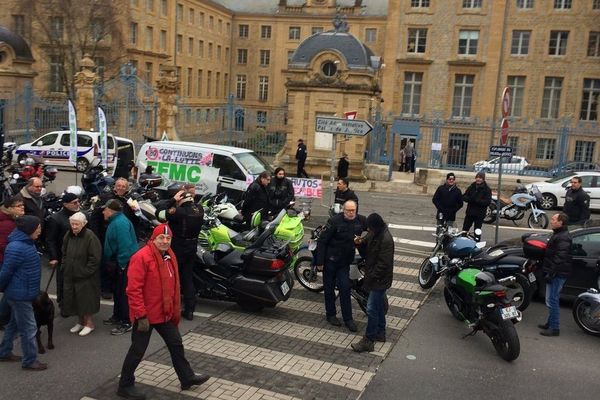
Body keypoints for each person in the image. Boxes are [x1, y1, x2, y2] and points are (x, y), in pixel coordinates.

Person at [117, 224, 210, 399]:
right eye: (161, 238)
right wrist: (140, 315)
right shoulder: (141, 257)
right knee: (137, 351)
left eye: (168, 239)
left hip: (164, 313)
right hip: (145, 315)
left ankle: (187, 378)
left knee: (176, 344)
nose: (165, 241)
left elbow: (174, 285)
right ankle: (125, 385)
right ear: (153, 238)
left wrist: (174, 309)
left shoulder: (169, 255)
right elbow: (133, 290)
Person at [0, 215, 47, 370]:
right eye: (38, 228)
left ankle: (4, 352)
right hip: (19, 295)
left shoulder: (26, 243)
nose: (40, 231)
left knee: (13, 325)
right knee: (29, 328)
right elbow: (6, 272)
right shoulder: (17, 247)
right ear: (29, 229)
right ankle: (29, 361)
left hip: (22, 292)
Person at [316, 200, 366, 333]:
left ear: (356, 210)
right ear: (343, 210)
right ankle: (331, 315)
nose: (350, 213)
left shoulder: (360, 221)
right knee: (329, 289)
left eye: (353, 210)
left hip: (344, 262)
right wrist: (320, 262)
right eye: (348, 210)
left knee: (345, 288)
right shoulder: (334, 221)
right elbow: (322, 241)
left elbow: (372, 229)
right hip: (330, 261)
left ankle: (348, 319)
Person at [155, 189, 204, 321]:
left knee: (172, 276)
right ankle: (189, 310)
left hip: (178, 246)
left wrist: (172, 201)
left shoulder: (179, 211)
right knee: (187, 278)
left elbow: (159, 214)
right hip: (192, 246)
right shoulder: (199, 209)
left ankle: (170, 308)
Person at [351, 213, 394, 353]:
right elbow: (366, 240)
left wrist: (371, 277)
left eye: (370, 228)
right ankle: (380, 332)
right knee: (378, 306)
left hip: (379, 279)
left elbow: (384, 264)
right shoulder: (375, 232)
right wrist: (360, 241)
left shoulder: (386, 239)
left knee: (371, 308)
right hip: (375, 277)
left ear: (376, 226)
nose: (368, 230)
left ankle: (368, 340)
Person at [89, 178, 138, 299]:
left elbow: (136, 219)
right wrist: (95, 235)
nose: (121, 188)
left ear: (127, 188)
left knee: (118, 263)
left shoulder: (131, 200)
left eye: (123, 186)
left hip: (122, 235)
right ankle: (105, 288)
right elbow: (95, 217)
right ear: (114, 186)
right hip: (105, 235)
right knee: (106, 261)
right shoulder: (105, 198)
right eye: (119, 185)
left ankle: (116, 287)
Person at [61, 212, 102, 337]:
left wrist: (85, 272)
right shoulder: (69, 234)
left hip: (85, 276)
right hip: (70, 274)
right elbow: (64, 251)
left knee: (86, 300)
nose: (74, 226)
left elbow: (95, 258)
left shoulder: (90, 237)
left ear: (84, 224)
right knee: (74, 299)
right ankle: (80, 322)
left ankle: (89, 323)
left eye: (77, 224)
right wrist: (64, 265)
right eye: (72, 224)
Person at [102, 199, 139, 336]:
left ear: (111, 211)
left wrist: (122, 265)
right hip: (119, 261)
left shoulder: (120, 223)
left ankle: (126, 321)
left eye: (105, 209)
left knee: (123, 293)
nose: (103, 212)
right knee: (118, 291)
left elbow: (125, 246)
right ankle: (117, 316)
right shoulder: (116, 221)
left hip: (124, 262)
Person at [45, 192, 81, 312]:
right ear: (66, 204)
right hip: (62, 256)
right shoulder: (56, 219)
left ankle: (75, 303)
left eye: (78, 201)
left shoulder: (80, 215)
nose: (78, 204)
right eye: (74, 202)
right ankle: (63, 304)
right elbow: (50, 239)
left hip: (78, 255)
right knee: (63, 282)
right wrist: (53, 257)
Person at [538, 212, 572, 337]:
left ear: (560, 222)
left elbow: (560, 258)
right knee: (550, 299)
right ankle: (550, 323)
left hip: (557, 273)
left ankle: (555, 328)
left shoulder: (563, 237)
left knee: (552, 300)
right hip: (555, 272)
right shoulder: (558, 234)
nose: (551, 221)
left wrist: (551, 273)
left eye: (553, 219)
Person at [0, 197, 25, 328]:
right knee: (10, 290)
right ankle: (3, 317)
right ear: (9, 208)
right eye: (18, 206)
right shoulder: (7, 224)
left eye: (22, 205)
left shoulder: (11, 220)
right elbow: (4, 245)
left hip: (6, 260)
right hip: (5, 261)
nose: (22, 208)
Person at [462, 171, 492, 241]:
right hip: (470, 212)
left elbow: (487, 202)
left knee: (477, 230)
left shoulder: (487, 189)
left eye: (480, 178)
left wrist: (478, 201)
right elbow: (464, 196)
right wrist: (470, 199)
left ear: (483, 179)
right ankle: (462, 242)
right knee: (465, 229)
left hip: (479, 214)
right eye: (477, 177)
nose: (478, 179)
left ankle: (477, 244)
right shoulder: (472, 186)